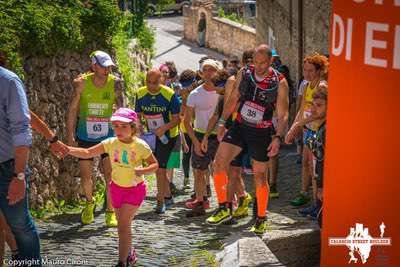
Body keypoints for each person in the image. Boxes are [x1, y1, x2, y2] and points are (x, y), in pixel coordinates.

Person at [206, 44, 289, 234]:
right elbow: (234, 97)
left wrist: (277, 137)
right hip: (240, 126)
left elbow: (283, 114)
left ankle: (261, 218)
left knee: (260, 176)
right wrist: (222, 121)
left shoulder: (279, 81)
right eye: (256, 62)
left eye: (263, 63)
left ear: (271, 62)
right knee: (218, 163)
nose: (258, 66)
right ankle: (224, 207)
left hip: (261, 132)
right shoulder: (246, 72)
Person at [67, 108, 158, 267]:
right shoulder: (110, 143)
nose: (119, 130)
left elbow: (155, 164)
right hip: (115, 189)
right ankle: (129, 252)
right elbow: (87, 152)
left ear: (133, 127)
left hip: (135, 190)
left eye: (123, 126)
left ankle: (121, 262)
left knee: (123, 224)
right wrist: (67, 149)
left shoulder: (140, 145)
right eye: (116, 126)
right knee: (123, 227)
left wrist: (142, 170)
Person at [67, 50, 124, 227]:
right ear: (94, 65)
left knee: (110, 175)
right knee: (86, 176)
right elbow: (73, 109)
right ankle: (89, 203)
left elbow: (122, 109)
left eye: (109, 66)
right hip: (85, 135)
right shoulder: (82, 83)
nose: (107, 69)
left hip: (108, 136)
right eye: (103, 65)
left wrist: (124, 133)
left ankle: (110, 211)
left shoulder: (115, 84)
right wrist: (70, 134)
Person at [0, 65, 41, 266]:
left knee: (20, 226)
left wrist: (19, 176)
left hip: (7, 169)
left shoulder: (8, 81)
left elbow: (22, 130)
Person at [288, 53, 328, 219]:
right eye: (305, 70)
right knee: (305, 164)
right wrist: (293, 127)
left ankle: (316, 204)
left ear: (319, 71)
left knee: (314, 169)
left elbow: (322, 113)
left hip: (318, 130)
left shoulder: (323, 86)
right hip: (307, 129)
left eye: (311, 71)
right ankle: (305, 194)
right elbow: (302, 108)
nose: (307, 74)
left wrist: (300, 123)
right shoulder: (306, 85)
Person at [135, 69, 180, 214]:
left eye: (154, 83)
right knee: (158, 169)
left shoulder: (169, 94)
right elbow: (138, 115)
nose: (151, 85)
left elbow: (177, 119)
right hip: (150, 136)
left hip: (167, 136)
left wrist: (164, 128)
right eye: (148, 82)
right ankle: (167, 195)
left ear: (161, 81)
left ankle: (160, 202)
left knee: (160, 168)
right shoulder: (140, 93)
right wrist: (139, 126)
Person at [184, 59, 222, 217]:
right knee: (199, 171)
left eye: (212, 69)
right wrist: (195, 141)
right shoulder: (195, 94)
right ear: (200, 73)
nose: (208, 72)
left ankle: (224, 203)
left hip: (219, 134)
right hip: (199, 134)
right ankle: (200, 202)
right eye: (205, 69)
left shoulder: (223, 92)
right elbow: (186, 122)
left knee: (220, 171)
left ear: (218, 72)